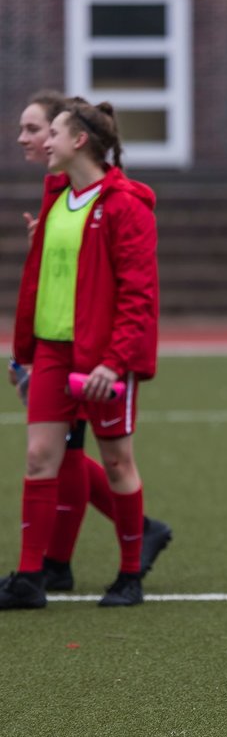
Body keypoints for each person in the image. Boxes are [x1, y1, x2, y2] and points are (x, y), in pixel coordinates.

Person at [0, 97, 160, 610]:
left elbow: (139, 295)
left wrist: (113, 361)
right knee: (40, 457)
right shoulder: (56, 197)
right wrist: (23, 351)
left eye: (51, 133)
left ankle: (130, 575)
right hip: (52, 351)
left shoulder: (125, 205)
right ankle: (30, 578)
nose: (41, 142)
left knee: (116, 463)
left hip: (103, 358)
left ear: (79, 142)